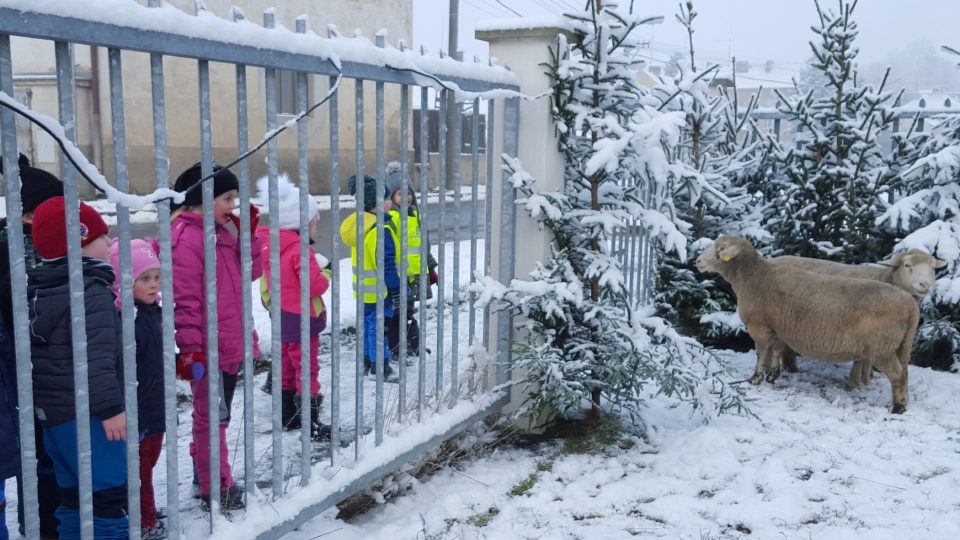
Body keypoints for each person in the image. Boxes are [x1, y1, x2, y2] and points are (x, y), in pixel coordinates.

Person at [28, 197, 127, 539]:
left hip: (54, 418)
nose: (110, 242)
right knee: (108, 498)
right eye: (101, 237)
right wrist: (112, 408)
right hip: (92, 416)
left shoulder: (40, 287)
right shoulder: (90, 291)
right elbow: (96, 357)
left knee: (72, 497)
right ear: (79, 245)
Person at [170, 162, 261, 511]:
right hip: (206, 347)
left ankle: (204, 474)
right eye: (227, 198)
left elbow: (249, 274)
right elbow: (186, 300)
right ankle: (215, 485)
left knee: (217, 416)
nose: (233, 206)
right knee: (210, 417)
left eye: (235, 198)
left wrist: (249, 236)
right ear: (201, 198)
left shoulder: (220, 233)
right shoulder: (186, 238)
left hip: (229, 341)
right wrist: (193, 350)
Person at [0, 153, 63, 539]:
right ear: (27, 216)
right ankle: (37, 520)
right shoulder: (10, 250)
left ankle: (45, 517)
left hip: (48, 364)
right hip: (19, 367)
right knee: (33, 450)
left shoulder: (46, 240)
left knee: (47, 450)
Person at [254, 173, 332, 439]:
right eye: (313, 218)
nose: (317, 222)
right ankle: (310, 421)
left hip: (283, 316)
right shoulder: (300, 250)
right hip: (303, 317)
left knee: (287, 363)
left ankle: (288, 415)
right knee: (306, 367)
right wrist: (327, 273)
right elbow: (315, 286)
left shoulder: (271, 246)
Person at [108, 239, 166, 539]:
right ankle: (145, 520)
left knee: (150, 462)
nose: (153, 284)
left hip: (156, 405)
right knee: (140, 471)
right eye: (144, 278)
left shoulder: (152, 312)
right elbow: (120, 372)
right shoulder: (123, 321)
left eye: (156, 277)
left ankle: (145, 509)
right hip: (138, 412)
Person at [340, 174, 402, 382]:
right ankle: (380, 366)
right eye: (386, 199)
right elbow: (387, 264)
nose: (390, 202)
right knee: (379, 328)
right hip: (380, 289)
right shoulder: (380, 229)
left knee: (368, 325)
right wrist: (396, 289)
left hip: (364, 290)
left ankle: (368, 361)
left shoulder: (361, 226)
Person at [383, 162, 439, 361]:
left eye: (409, 193)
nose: (406, 198)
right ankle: (396, 347)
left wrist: (431, 267)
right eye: (400, 194)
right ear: (391, 197)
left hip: (416, 274)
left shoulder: (416, 215)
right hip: (400, 276)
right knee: (398, 313)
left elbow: (424, 245)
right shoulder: (392, 218)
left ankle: (413, 345)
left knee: (409, 310)